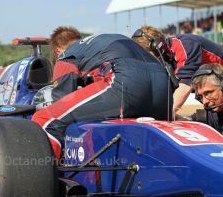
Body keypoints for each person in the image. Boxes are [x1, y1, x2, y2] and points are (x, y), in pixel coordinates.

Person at [32, 26, 173, 160]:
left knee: (46, 119)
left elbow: (62, 100)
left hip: (126, 79)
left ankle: (42, 181)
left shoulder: (64, 56)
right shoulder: (95, 45)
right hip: (163, 84)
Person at [132, 25, 223, 115]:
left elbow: (185, 86)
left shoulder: (185, 44)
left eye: (145, 55)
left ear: (158, 46)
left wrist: (164, 114)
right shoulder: (165, 60)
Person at [191, 63, 223, 133]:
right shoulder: (211, 113)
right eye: (200, 96)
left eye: (208, 93)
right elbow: (192, 120)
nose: (205, 101)